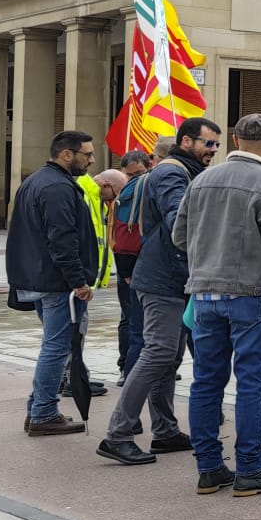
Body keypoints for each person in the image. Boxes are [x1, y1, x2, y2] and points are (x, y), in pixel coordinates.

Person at [172, 114, 261, 496]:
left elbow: (179, 235)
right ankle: (250, 466)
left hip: (205, 292)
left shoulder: (202, 179)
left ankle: (209, 466)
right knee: (253, 382)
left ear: (234, 139)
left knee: (206, 381)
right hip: (252, 292)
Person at [101, 117, 219, 462]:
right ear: (186, 142)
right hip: (164, 278)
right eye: (207, 144)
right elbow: (179, 222)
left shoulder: (187, 170)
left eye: (215, 144)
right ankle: (118, 434)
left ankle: (165, 430)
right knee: (158, 353)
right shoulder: (172, 172)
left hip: (175, 277)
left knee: (169, 357)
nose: (212, 150)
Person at [5, 131, 101, 436]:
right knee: (57, 347)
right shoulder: (58, 186)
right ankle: (44, 413)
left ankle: (38, 407)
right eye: (87, 154)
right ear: (67, 154)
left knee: (54, 345)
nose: (92, 160)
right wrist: (78, 281)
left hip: (40, 276)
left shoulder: (36, 181)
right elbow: (62, 240)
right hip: (56, 281)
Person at [108, 151, 151, 381]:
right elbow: (123, 242)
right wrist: (125, 273)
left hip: (132, 267)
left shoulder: (124, 194)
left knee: (132, 320)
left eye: (139, 173)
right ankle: (129, 369)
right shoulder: (131, 195)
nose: (135, 178)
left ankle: (131, 368)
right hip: (132, 269)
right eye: (130, 174)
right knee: (134, 321)